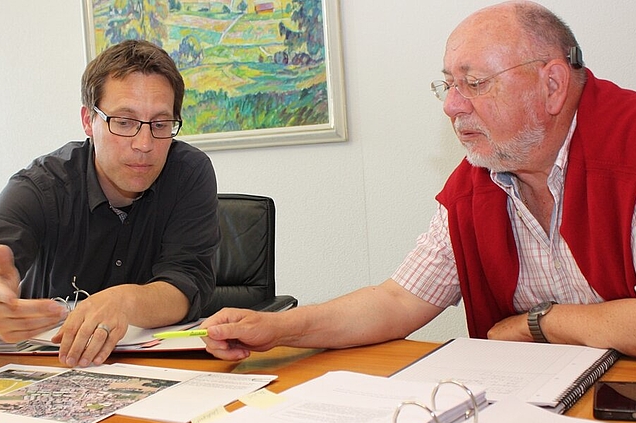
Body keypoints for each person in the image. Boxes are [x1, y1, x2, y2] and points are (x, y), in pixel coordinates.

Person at [199, 0, 636, 361]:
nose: (451, 106)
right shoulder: (475, 186)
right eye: (447, 85)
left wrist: (539, 323)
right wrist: (277, 326)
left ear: (553, 85)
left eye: (475, 83)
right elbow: (397, 301)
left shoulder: (628, 146)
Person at [0, 40, 220, 367]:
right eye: (124, 122)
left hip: (157, 370)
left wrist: (124, 302)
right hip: (50, 365)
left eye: (159, 125)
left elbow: (187, 283)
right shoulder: (40, 186)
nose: (144, 144)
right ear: (89, 121)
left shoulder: (188, 173)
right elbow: (1, 257)